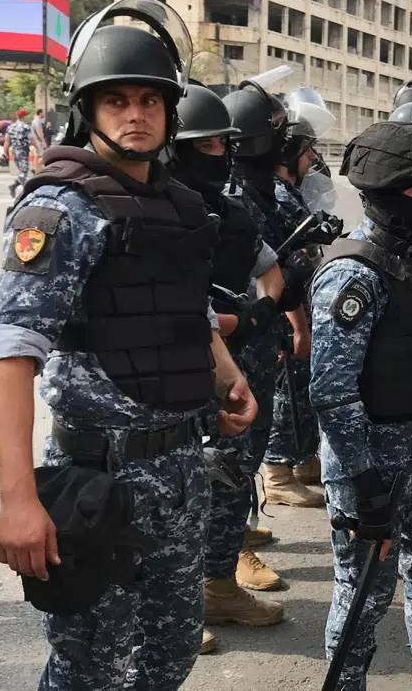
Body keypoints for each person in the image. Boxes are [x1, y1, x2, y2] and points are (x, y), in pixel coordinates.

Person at [0, 0, 258, 691]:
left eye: (149, 100)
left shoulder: (177, 206)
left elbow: (184, 308)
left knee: (168, 657)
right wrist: (17, 501)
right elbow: (12, 356)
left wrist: (226, 378)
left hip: (179, 472)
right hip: (100, 480)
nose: (136, 114)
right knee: (89, 667)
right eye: (117, 101)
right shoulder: (59, 212)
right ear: (89, 109)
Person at [308, 121, 412, 691]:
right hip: (368, 465)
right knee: (364, 594)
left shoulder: (411, 261)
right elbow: (333, 392)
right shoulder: (352, 274)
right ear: (386, 193)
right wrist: (364, 485)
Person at [168, 81, 289, 652]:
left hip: (234, 366)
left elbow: (271, 274)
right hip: (176, 376)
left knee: (231, 475)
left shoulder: (230, 210)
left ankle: (215, 583)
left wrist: (258, 313)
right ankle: (176, 602)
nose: (221, 158)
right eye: (209, 147)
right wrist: (244, 319)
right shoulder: (160, 212)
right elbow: (190, 312)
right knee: (180, 492)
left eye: (225, 146)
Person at [220, 83, 326, 515]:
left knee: (250, 443)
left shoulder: (259, 191)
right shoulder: (238, 198)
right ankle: (228, 555)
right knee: (234, 452)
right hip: (242, 338)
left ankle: (240, 530)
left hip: (263, 330)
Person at [264, 90, 337, 503]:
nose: (312, 158)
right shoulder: (274, 194)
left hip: (301, 303)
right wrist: (297, 325)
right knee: (283, 390)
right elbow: (278, 264)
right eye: (307, 150)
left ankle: (299, 456)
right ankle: (276, 473)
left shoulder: (291, 191)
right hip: (284, 311)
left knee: (300, 385)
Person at [4, 108, 42, 197]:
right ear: (24, 116)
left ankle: (25, 191)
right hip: (23, 150)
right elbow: (31, 139)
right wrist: (37, 148)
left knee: (22, 171)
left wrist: (5, 152)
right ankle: (14, 186)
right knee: (24, 171)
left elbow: (6, 141)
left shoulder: (10, 127)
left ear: (17, 116)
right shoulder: (26, 127)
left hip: (13, 150)